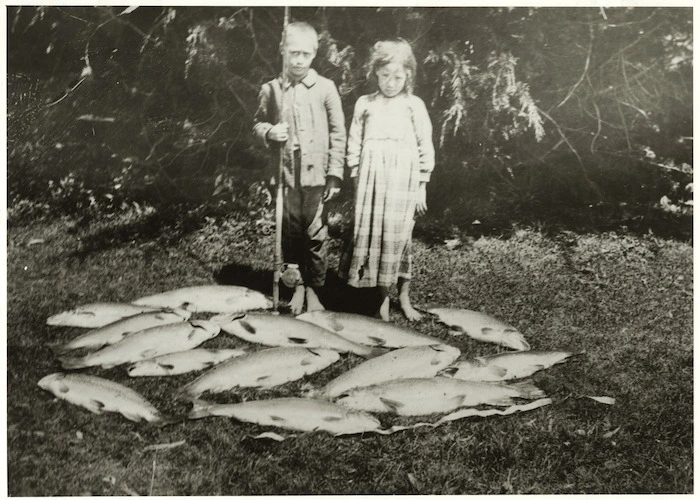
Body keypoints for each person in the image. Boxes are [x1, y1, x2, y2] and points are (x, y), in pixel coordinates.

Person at [253, 22, 346, 314]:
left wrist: (334, 175)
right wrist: (269, 132)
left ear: (314, 54)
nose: (298, 60)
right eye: (292, 53)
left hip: (316, 177)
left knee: (316, 234)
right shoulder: (272, 89)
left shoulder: (326, 88)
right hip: (285, 177)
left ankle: (316, 290)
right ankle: (298, 288)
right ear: (282, 50)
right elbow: (256, 124)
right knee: (290, 234)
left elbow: (338, 133)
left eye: (305, 54)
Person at [340, 39, 435, 321]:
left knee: (400, 238)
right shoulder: (365, 104)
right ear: (375, 74)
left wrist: (422, 186)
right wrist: (357, 177)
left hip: (402, 184)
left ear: (408, 75)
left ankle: (404, 298)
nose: (391, 83)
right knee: (374, 239)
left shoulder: (414, 105)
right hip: (371, 184)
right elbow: (353, 144)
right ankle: (380, 299)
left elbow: (424, 146)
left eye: (398, 77)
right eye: (385, 76)